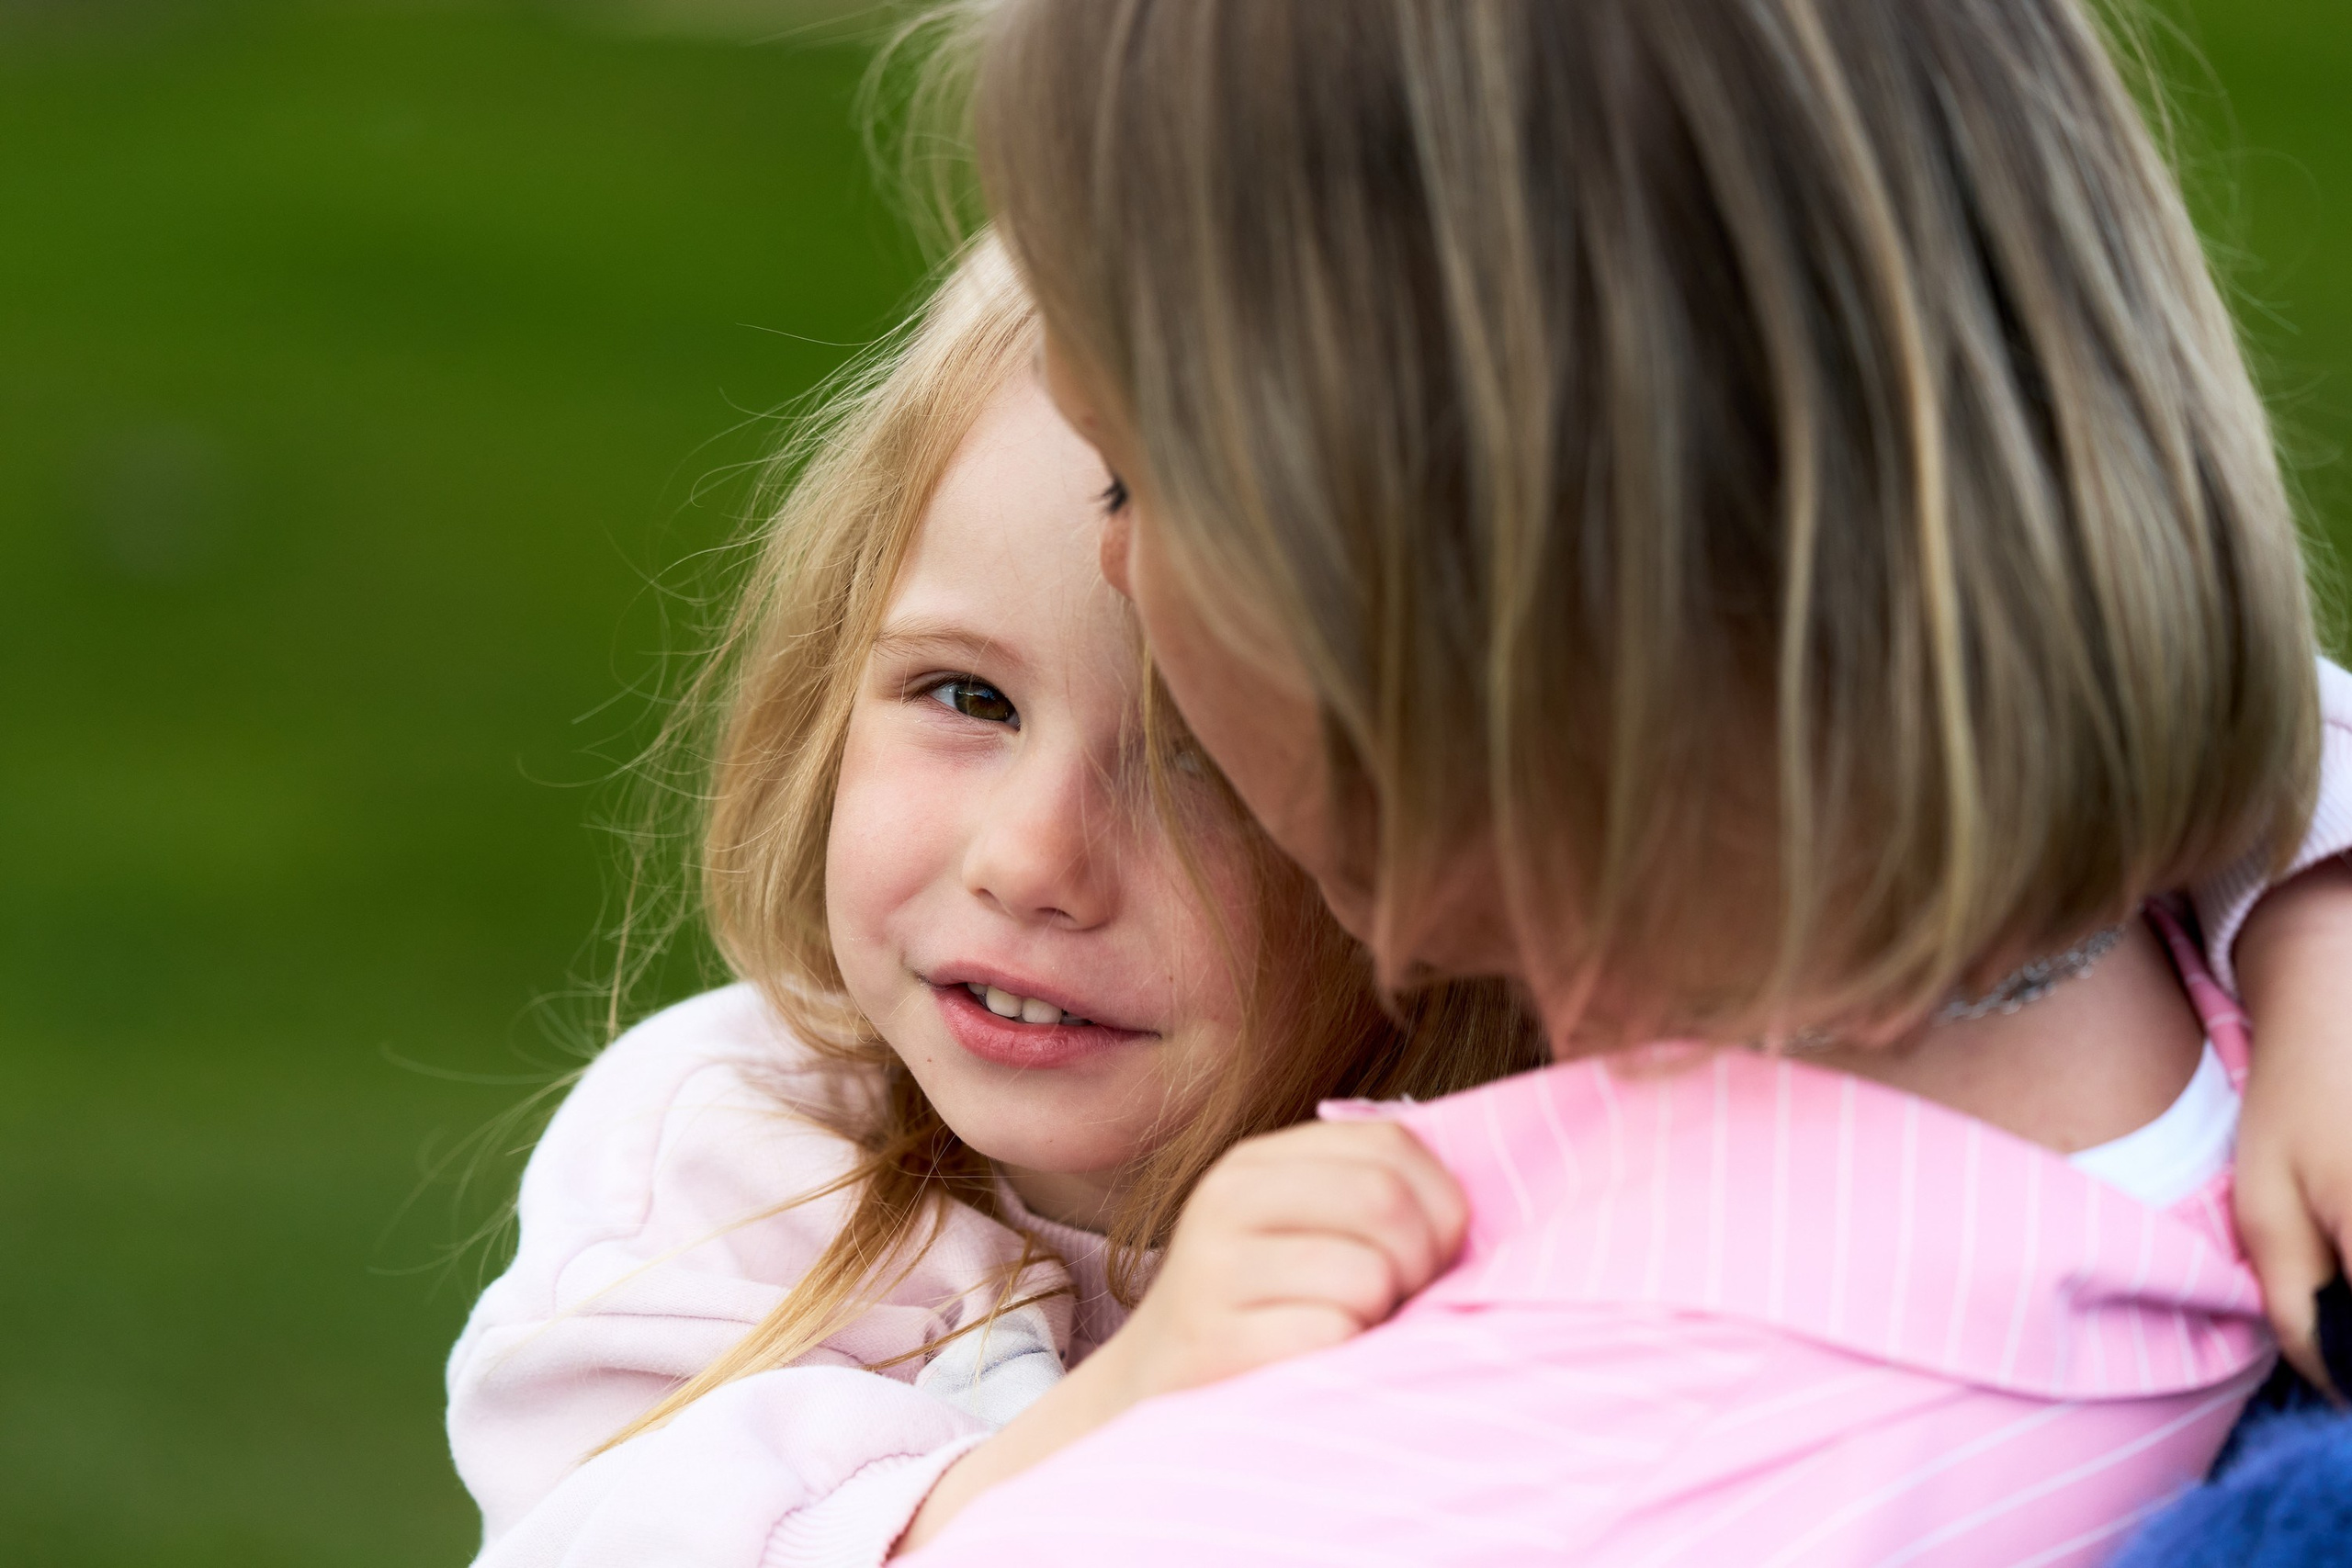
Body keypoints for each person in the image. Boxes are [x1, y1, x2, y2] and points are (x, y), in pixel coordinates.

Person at [872, 1, 2352, 1561]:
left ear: (1406, 580)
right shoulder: (2199, 1055)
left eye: (1130, 480)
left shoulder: (1355, 1490)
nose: (1117, 565)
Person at [446, 237, 1539, 1566]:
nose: (1029, 859)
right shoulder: (733, 1158)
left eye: (1210, 755)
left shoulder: (1533, 1214)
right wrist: (1124, 1409)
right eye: (968, 697)